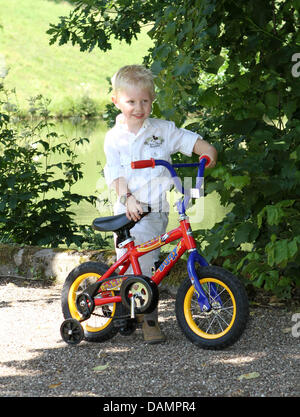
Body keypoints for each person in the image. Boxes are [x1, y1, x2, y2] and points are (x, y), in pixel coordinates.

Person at [103, 65, 217, 344]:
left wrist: (207, 155)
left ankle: (136, 306)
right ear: (116, 100)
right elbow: (115, 174)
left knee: (148, 262)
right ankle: (145, 316)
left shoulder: (163, 131)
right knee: (136, 265)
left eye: (145, 101)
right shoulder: (114, 138)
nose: (139, 107)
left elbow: (194, 143)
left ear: (152, 99)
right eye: (131, 102)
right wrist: (127, 198)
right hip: (128, 209)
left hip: (156, 210)